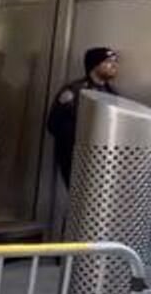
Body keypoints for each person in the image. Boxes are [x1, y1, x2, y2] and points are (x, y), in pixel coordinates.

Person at [47, 47, 120, 189]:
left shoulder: (113, 94)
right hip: (77, 158)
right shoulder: (74, 91)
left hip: (104, 160)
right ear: (94, 64)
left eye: (115, 61)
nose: (114, 65)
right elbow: (54, 124)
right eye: (108, 61)